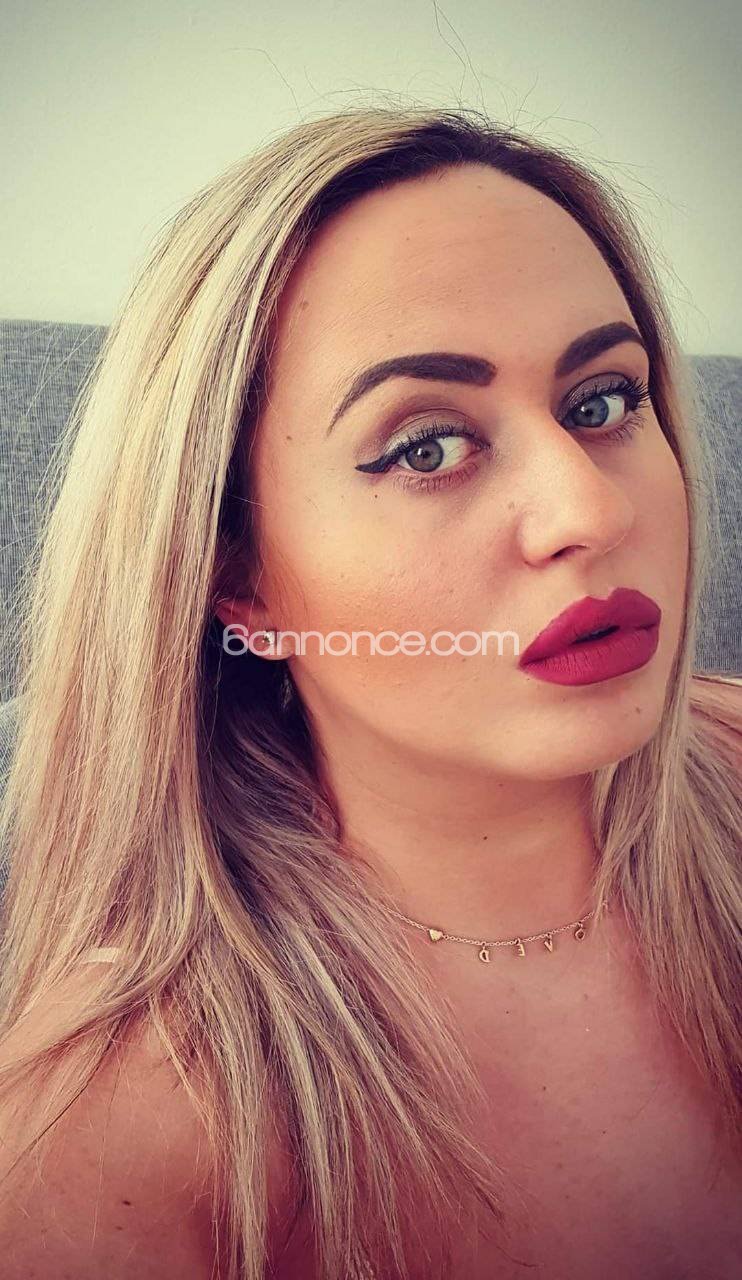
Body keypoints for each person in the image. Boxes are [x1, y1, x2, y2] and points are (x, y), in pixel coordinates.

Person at [0, 103, 739, 1280]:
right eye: (427, 445)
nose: (591, 511)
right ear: (234, 575)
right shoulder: (104, 1130)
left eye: (602, 401)